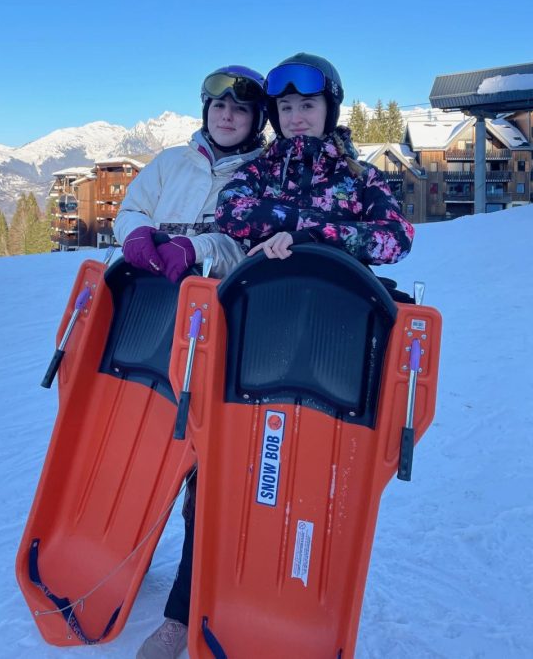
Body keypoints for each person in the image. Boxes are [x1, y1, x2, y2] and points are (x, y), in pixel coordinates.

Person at [113, 65, 267, 659]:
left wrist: (195, 247)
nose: (227, 117)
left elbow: (242, 242)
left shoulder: (256, 174)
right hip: (152, 328)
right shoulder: (169, 164)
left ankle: (182, 609)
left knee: (205, 458)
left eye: (241, 110)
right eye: (218, 107)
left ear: (255, 121)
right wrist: (136, 236)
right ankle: (114, 557)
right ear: (205, 112)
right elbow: (134, 207)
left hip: (223, 332)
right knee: (149, 444)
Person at [215, 53, 414, 265]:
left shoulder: (362, 177)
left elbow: (397, 237)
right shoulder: (260, 170)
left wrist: (315, 236)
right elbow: (228, 210)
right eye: (286, 107)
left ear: (330, 110)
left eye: (307, 105)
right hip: (266, 289)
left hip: (339, 290)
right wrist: (311, 222)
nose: (295, 119)